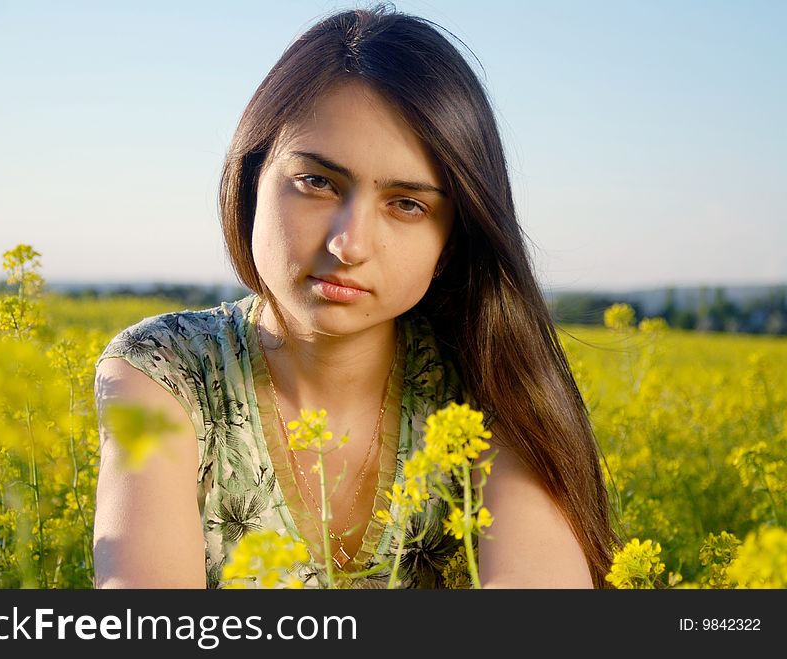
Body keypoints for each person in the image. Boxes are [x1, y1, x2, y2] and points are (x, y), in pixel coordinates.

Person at [92, 5, 618, 589]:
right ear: (251, 179)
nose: (349, 244)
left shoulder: (488, 386)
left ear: (451, 241)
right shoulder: (163, 372)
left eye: (407, 204)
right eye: (318, 182)